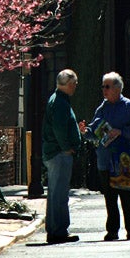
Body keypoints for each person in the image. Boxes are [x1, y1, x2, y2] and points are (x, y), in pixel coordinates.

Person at [80, 72, 130, 241]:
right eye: (103, 86)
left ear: (117, 88)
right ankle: (112, 230)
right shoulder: (102, 108)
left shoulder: (129, 107)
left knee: (128, 197)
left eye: (107, 87)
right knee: (110, 198)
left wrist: (121, 132)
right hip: (105, 161)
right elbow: (93, 133)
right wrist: (84, 132)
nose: (104, 90)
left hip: (125, 160)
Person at [42, 69, 83, 244]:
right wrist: (67, 148)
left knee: (55, 192)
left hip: (55, 152)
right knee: (59, 193)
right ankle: (59, 231)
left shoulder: (58, 100)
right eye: (74, 84)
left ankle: (54, 229)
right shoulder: (60, 102)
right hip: (59, 154)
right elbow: (59, 129)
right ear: (68, 84)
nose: (75, 87)